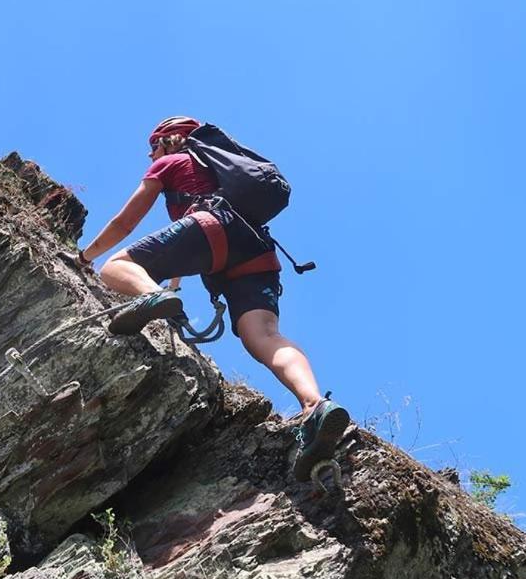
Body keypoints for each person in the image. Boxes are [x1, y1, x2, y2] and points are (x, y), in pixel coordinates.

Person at [74, 116, 350, 482]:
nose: (150, 155)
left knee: (116, 266)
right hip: (255, 251)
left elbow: (127, 223)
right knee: (264, 336)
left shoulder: (171, 162)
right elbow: (183, 250)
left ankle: (149, 295)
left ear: (170, 141)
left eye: (152, 146)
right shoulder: (223, 170)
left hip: (209, 232)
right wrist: (171, 288)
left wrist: (83, 258)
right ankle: (315, 405)